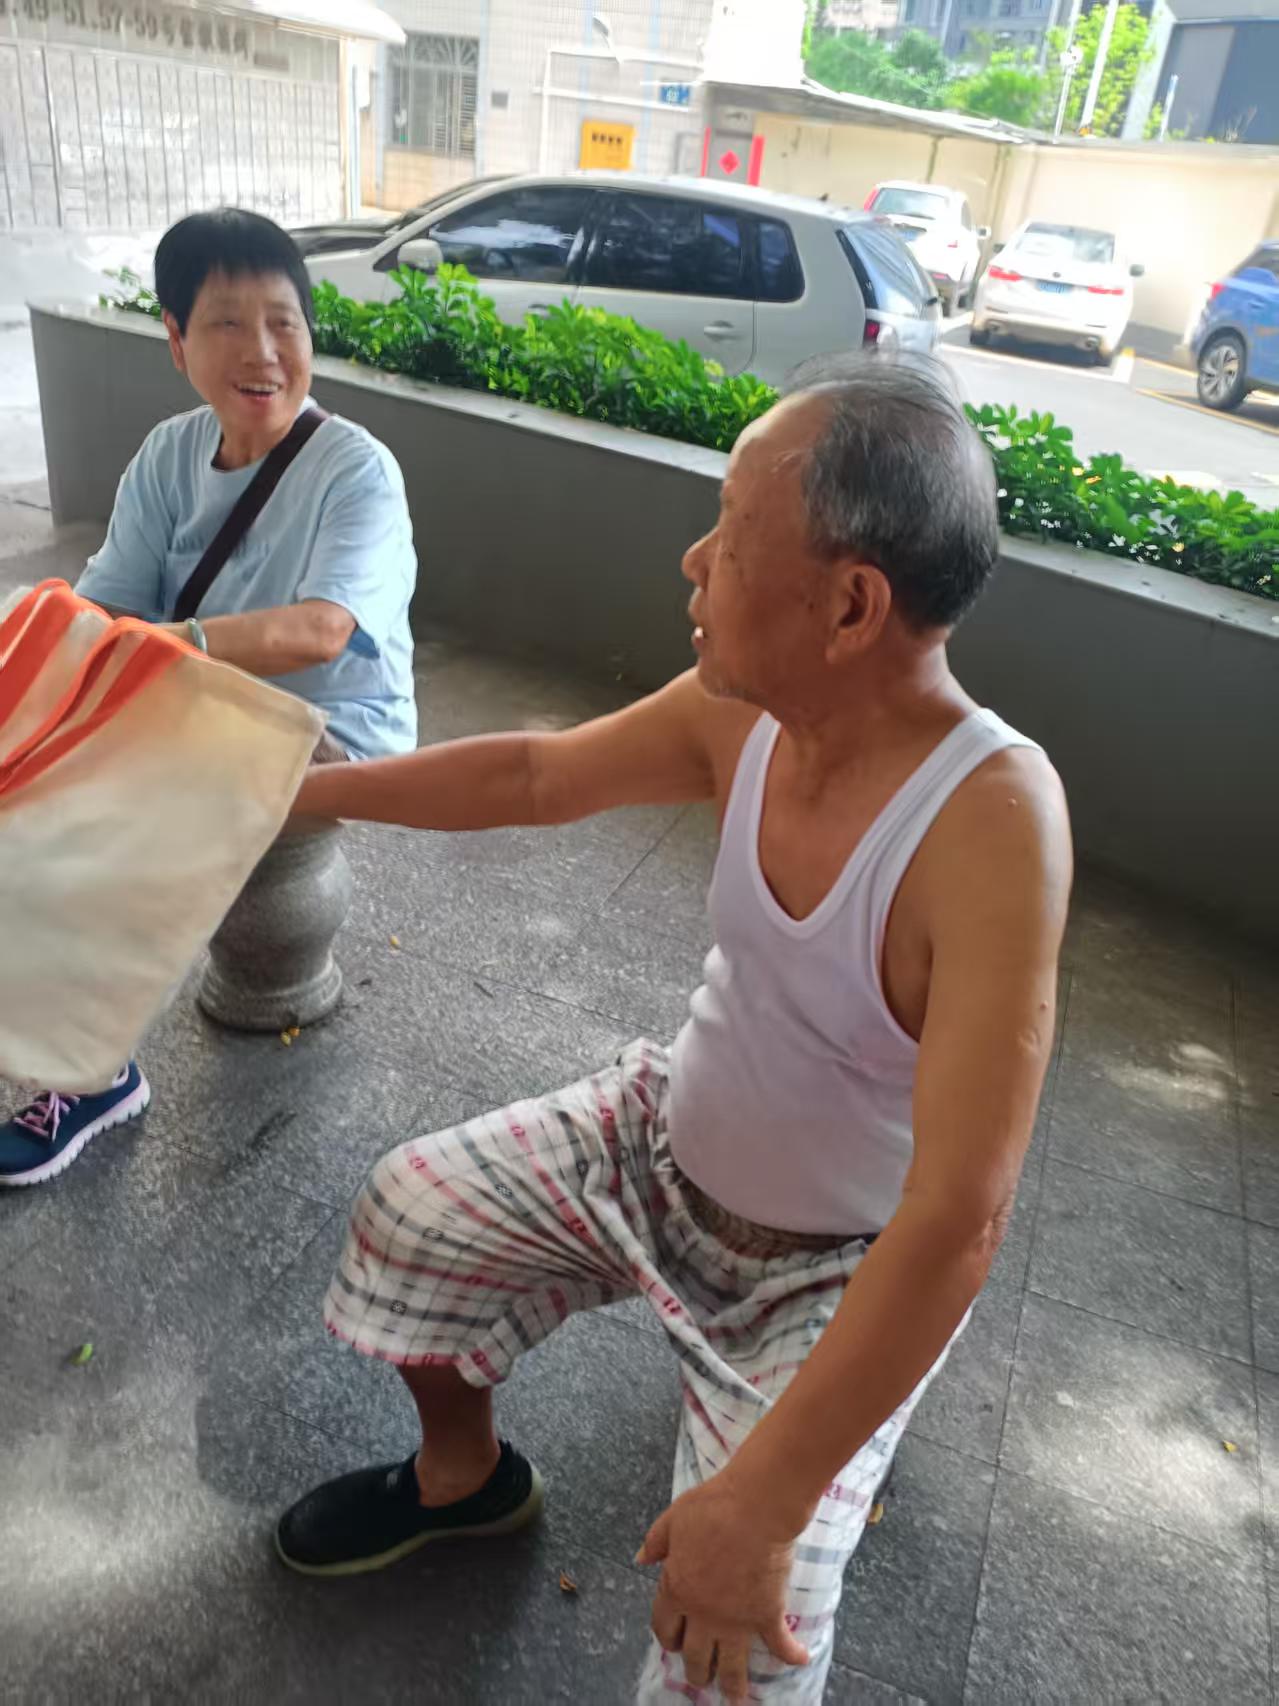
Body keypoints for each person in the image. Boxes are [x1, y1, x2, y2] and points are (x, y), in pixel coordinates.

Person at [275, 353, 1071, 1703]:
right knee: (410, 1210)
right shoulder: (742, 710)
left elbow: (956, 1217)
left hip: (835, 1270)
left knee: (736, 1649)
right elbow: (538, 772)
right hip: (659, 1142)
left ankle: (810, 1441)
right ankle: (464, 1478)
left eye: (732, 530)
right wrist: (296, 791)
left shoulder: (991, 820)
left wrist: (763, 1499)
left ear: (850, 605)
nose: (694, 560)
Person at [0, 208, 418, 1189]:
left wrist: (161, 649)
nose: (262, 350)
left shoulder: (355, 468)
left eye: (283, 322)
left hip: (329, 728)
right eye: (227, 322)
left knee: (95, 813)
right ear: (176, 339)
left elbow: (322, 630)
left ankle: (88, 1072)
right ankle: (41, 1013)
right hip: (194, 704)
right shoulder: (168, 454)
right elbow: (105, 606)